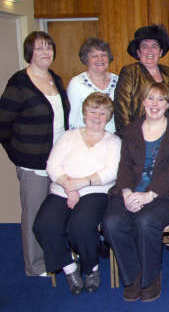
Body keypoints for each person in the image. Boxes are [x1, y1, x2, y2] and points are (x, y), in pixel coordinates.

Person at [103, 82, 169, 302]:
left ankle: (150, 278)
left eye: (161, 99)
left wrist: (149, 195)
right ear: (142, 102)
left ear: (168, 104)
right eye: (150, 99)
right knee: (112, 223)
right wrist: (128, 193)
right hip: (131, 191)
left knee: (145, 221)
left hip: (164, 194)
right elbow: (125, 166)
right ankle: (132, 275)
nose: (155, 104)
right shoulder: (130, 130)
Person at [33, 93, 120, 295]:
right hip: (62, 190)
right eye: (92, 111)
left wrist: (81, 184)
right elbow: (52, 165)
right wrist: (68, 186)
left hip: (95, 191)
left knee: (79, 226)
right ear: (84, 113)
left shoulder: (114, 141)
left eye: (102, 112)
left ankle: (91, 269)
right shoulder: (68, 136)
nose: (97, 116)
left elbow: (111, 172)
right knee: (43, 225)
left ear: (108, 117)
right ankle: (70, 268)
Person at [0, 31, 69, 277]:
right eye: (39, 48)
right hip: (33, 162)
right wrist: (18, 153)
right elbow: (3, 123)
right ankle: (36, 264)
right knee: (35, 212)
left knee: (56, 212)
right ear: (30, 53)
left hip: (59, 160)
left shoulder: (55, 79)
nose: (45, 52)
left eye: (48, 47)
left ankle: (56, 255)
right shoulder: (19, 82)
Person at [114, 24, 169, 132]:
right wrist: (129, 137)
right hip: (141, 135)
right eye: (144, 46)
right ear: (138, 52)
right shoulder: (130, 72)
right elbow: (121, 109)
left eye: (154, 46)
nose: (149, 50)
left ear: (160, 52)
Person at [67, 37, 118, 133]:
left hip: (114, 139)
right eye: (94, 56)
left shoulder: (119, 81)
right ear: (86, 59)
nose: (100, 59)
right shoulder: (76, 84)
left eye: (104, 55)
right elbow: (72, 120)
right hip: (86, 140)